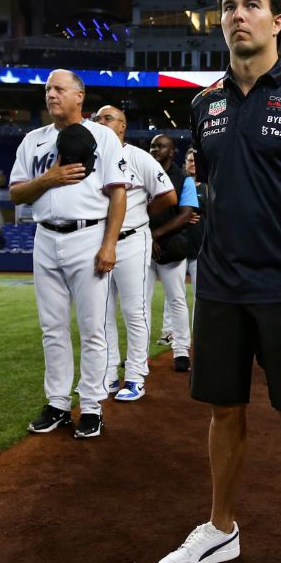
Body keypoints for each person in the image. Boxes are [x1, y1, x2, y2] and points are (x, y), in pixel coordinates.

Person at [159, 0, 281, 563]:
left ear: (277, 20)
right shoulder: (203, 104)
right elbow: (213, 186)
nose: (237, 15)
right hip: (219, 282)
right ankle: (221, 529)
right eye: (229, 7)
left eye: (251, 5)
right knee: (223, 409)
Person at [11, 69, 129, 440]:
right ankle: (58, 403)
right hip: (45, 237)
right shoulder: (33, 140)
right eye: (48, 89)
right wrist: (49, 178)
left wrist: (110, 243)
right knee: (52, 327)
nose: (51, 94)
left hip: (88, 236)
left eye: (59, 89)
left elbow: (118, 193)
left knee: (93, 328)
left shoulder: (103, 136)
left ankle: (91, 406)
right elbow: (15, 193)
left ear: (80, 96)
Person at [92, 104, 177, 402]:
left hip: (131, 239)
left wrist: (141, 212)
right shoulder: (90, 157)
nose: (101, 122)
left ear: (122, 125)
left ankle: (135, 377)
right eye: (97, 118)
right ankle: (108, 375)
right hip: (97, 241)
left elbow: (169, 196)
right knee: (101, 313)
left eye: (108, 118)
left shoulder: (139, 157)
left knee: (134, 311)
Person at [147, 133, 199, 371]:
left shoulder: (184, 179)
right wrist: (147, 237)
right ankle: (139, 354)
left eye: (160, 146)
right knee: (140, 303)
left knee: (177, 299)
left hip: (170, 246)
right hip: (143, 246)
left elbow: (186, 215)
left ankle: (181, 352)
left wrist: (155, 235)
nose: (155, 149)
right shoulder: (142, 174)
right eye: (152, 146)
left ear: (172, 151)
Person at [184, 148, 207, 296]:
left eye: (196, 161)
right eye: (190, 161)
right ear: (185, 163)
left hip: (200, 248)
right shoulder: (178, 184)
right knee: (174, 296)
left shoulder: (208, 186)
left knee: (199, 294)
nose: (193, 164)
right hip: (179, 247)